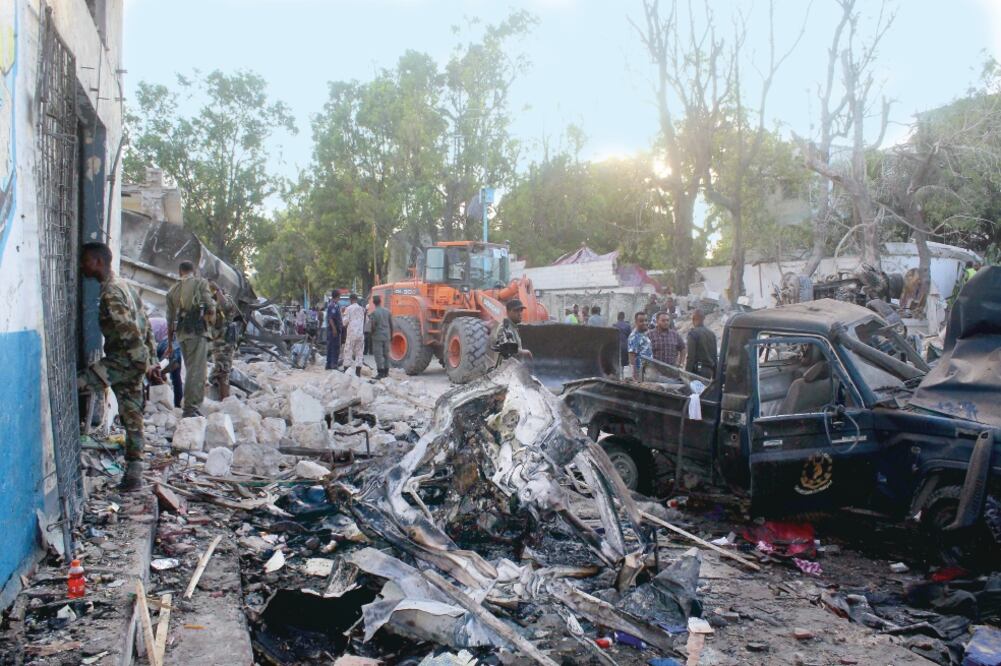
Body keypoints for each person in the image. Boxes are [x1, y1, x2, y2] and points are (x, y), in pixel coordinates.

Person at [79, 242, 161, 491]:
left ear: (98, 262)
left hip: (123, 361)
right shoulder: (126, 286)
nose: (83, 266)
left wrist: (143, 364)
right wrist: (151, 362)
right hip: (134, 361)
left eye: (86, 261)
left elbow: (131, 331)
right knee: (132, 417)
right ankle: (134, 474)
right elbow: (146, 326)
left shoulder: (112, 292)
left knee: (76, 385)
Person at [166, 261, 216, 417]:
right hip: (197, 332)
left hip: (181, 334)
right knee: (197, 372)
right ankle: (190, 408)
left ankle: (190, 406)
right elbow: (210, 305)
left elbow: (169, 320)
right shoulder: (200, 283)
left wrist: (169, 344)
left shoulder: (172, 290)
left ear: (180, 271)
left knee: (190, 371)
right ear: (193, 271)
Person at [209, 283, 241, 400]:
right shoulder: (212, 302)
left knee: (223, 373)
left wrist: (218, 291)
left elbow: (226, 307)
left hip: (225, 344)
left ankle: (225, 401)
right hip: (217, 343)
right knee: (220, 372)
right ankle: (222, 399)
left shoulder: (227, 300)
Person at [151, 314, 183, 408]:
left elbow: (150, 348)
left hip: (167, 344)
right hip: (172, 345)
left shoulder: (145, 324)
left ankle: (156, 399)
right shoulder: (153, 323)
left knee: (158, 369)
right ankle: (178, 404)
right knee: (175, 375)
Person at [685, 309, 718, 379]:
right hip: (709, 370)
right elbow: (715, 356)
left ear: (693, 319)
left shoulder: (693, 333)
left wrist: (686, 374)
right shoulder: (712, 334)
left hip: (699, 368)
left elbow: (691, 357)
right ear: (703, 319)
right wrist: (715, 375)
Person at [369, 295, 393, 379]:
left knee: (378, 355)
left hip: (377, 337)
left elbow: (373, 326)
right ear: (380, 301)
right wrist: (392, 335)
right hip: (387, 336)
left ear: (373, 303)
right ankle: (386, 372)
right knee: (386, 354)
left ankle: (380, 373)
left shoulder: (374, 313)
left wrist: (372, 333)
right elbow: (391, 324)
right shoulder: (387, 311)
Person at [342, 293, 366, 376]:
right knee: (359, 352)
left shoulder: (348, 309)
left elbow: (344, 322)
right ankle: (358, 373)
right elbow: (366, 321)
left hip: (351, 334)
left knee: (348, 351)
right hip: (360, 334)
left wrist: (343, 315)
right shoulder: (362, 309)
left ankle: (346, 371)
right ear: (357, 299)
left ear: (350, 300)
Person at [627, 311, 653, 379]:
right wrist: (634, 377)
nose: (645, 323)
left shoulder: (643, 334)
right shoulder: (634, 337)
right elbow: (631, 357)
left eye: (646, 320)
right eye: (641, 321)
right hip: (640, 374)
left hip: (647, 372)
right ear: (636, 322)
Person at [325, 290, 343, 370]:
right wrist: (334, 329)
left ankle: (329, 364)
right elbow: (331, 319)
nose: (340, 297)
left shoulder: (336, 305)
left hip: (333, 330)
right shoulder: (332, 305)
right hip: (333, 330)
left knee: (330, 347)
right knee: (334, 347)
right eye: (339, 296)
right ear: (337, 296)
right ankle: (333, 364)